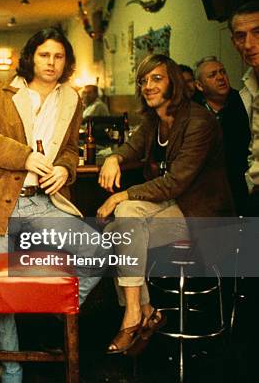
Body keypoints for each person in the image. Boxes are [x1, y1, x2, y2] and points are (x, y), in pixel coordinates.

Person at [0, 27, 105, 383]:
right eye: (44, 55)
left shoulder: (72, 99)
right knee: (0, 287)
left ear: (66, 62)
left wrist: (65, 170)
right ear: (31, 57)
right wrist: (25, 157)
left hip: (42, 204)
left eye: (58, 56)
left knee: (99, 249)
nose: (51, 63)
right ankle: (12, 373)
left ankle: (52, 305)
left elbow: (69, 148)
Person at [97, 54, 233, 354]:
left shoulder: (200, 121)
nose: (148, 86)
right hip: (169, 205)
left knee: (118, 225)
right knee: (124, 222)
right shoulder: (152, 121)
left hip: (200, 214)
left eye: (156, 78)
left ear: (173, 80)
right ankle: (141, 311)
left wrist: (122, 193)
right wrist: (113, 157)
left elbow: (176, 182)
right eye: (143, 81)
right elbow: (129, 148)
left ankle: (141, 312)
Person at [193, 56, 251, 215]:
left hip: (237, 186)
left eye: (222, 72)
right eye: (212, 75)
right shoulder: (191, 111)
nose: (220, 77)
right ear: (199, 85)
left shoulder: (243, 102)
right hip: (201, 190)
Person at [230, 0, 259, 215]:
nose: (249, 44)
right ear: (234, 42)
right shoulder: (247, 89)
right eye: (241, 36)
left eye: (257, 32)